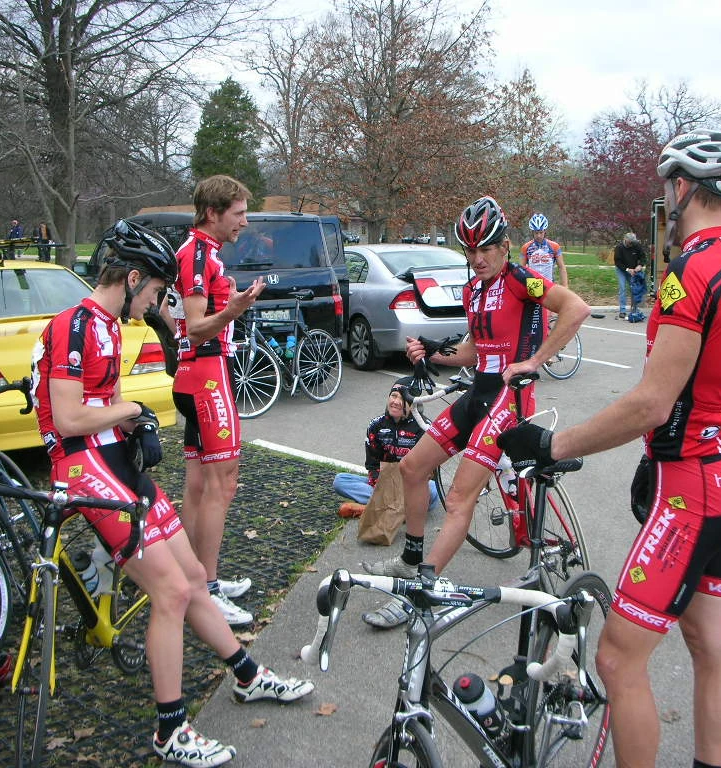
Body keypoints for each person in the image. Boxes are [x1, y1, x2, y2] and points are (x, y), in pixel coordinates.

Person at [498, 129, 721, 768]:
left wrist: (551, 442)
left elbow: (652, 401)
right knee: (710, 643)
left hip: (695, 486)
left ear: (681, 189)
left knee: (617, 657)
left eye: (665, 190)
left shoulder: (694, 270)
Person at [31, 220, 312, 767]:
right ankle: (170, 729)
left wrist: (129, 423)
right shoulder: (75, 324)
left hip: (114, 457)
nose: (161, 302)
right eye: (158, 292)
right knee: (170, 593)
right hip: (83, 467)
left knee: (191, 578)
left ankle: (248, 676)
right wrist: (134, 411)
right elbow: (66, 417)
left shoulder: (111, 323)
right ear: (132, 277)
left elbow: (101, 400)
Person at [359, 196, 591, 628]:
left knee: (460, 496)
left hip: (509, 397)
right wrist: (433, 353)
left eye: (485, 248)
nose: (477, 258)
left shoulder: (523, 281)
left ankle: (421, 593)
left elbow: (577, 309)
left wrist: (534, 362)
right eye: (470, 250)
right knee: (412, 468)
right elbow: (473, 350)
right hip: (478, 393)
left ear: (505, 246)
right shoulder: (473, 289)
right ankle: (411, 560)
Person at [167, 174, 266, 627]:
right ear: (213, 213)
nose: (244, 222)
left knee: (198, 484)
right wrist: (234, 309)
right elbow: (192, 325)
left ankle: (196, 579)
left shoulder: (195, 251)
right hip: (207, 372)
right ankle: (204, 589)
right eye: (239, 213)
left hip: (194, 375)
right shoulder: (199, 253)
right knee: (221, 485)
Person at [332, 376, 440, 516]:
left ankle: (375, 509)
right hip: (384, 483)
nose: (395, 402)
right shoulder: (376, 425)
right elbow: (372, 465)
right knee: (340, 481)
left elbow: (429, 472)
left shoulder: (425, 428)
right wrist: (380, 485)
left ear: (412, 403)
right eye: (393, 396)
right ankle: (398, 510)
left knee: (433, 490)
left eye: (401, 398)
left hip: (413, 485)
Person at [520, 213, 568, 288]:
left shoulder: (554, 246)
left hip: (549, 284)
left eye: (541, 232)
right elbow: (521, 269)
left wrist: (565, 287)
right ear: (532, 232)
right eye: (536, 233)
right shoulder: (526, 247)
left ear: (545, 231)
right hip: (533, 286)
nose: (538, 235)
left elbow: (561, 267)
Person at [614, 232, 647, 319]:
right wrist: (627, 270)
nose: (631, 244)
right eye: (629, 242)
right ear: (625, 239)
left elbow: (643, 257)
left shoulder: (637, 245)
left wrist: (640, 265)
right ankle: (622, 311)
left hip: (633, 270)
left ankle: (634, 309)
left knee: (634, 289)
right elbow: (618, 262)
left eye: (632, 242)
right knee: (622, 288)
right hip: (622, 270)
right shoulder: (619, 248)